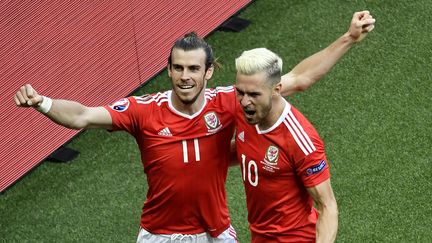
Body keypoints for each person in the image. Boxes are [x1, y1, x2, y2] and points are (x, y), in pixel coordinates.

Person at [13, 10, 374, 243]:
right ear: (169, 70)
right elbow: (82, 116)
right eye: (179, 68)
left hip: (216, 234)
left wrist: (348, 38)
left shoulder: (232, 101)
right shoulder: (144, 110)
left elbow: (299, 77)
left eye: (193, 69)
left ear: (208, 71)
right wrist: (43, 102)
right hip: (158, 235)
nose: (185, 77)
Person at [233, 10, 375, 243]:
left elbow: (327, 207)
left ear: (276, 89)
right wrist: (349, 37)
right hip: (260, 236)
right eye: (240, 92)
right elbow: (301, 77)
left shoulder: (300, 140)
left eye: (253, 94)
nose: (244, 101)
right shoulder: (248, 106)